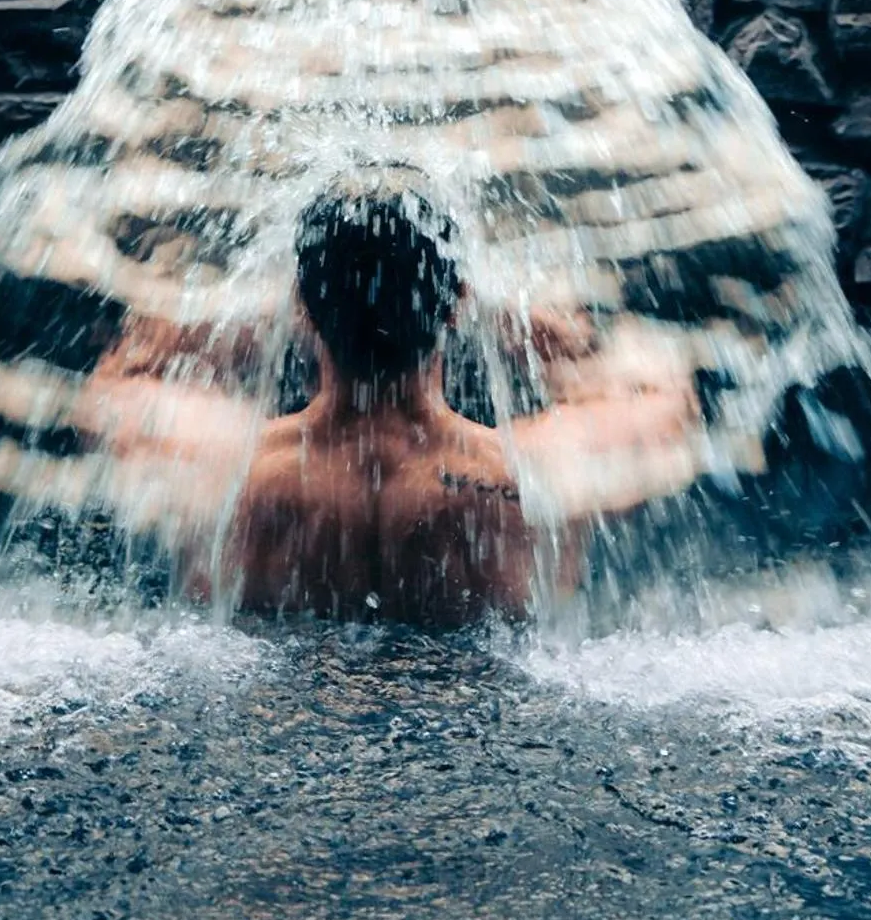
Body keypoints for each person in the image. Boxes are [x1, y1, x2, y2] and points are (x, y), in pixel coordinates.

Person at [74, 196, 702, 625]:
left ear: (302, 307)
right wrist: (529, 325)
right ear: (456, 304)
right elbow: (669, 398)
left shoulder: (223, 472)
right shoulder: (532, 478)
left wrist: (255, 313)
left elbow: (117, 386)